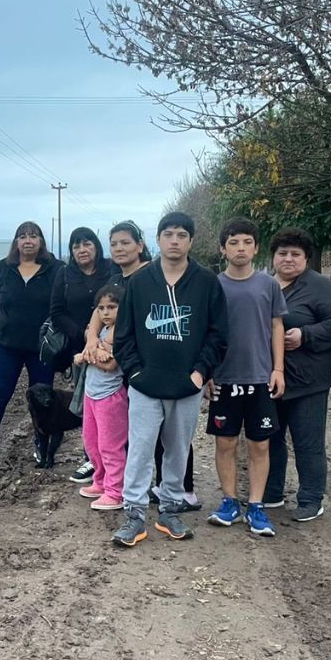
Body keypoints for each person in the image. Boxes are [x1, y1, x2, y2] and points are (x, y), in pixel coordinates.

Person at [111, 212, 228, 547]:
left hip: (186, 386)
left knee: (177, 449)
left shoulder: (206, 282)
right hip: (145, 386)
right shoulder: (140, 282)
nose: (174, 241)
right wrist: (135, 372)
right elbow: (124, 335)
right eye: (168, 234)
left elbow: (218, 335)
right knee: (140, 449)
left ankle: (170, 509)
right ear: (158, 239)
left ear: (191, 241)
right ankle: (134, 514)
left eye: (181, 235)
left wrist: (200, 373)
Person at [82, 221, 200, 510]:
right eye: (114, 244)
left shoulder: (154, 276)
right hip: (126, 371)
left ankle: (180, 491)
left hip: (152, 367)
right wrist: (91, 340)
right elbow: (98, 314)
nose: (119, 249)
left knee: (168, 434)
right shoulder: (116, 280)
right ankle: (129, 488)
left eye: (125, 242)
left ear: (141, 244)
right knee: (133, 435)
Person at [263, 227, 331, 522]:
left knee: (307, 441)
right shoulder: (265, 286)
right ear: (273, 257)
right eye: (282, 253)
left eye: (296, 254)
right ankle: (272, 492)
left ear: (306, 258)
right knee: (270, 437)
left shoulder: (319, 286)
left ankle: (311, 499)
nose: (288, 259)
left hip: (309, 380)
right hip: (269, 378)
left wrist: (306, 334)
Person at [204, 218, 287, 537]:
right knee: (225, 442)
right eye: (234, 242)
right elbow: (205, 332)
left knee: (259, 445)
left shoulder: (269, 285)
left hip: (260, 378)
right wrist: (208, 371)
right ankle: (229, 502)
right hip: (224, 379)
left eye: (247, 242)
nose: (240, 248)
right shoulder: (213, 286)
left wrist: (278, 369)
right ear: (223, 249)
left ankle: (256, 506)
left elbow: (277, 326)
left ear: (256, 247)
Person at [0, 221, 63, 460]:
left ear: (41, 241)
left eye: (33, 236)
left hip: (42, 349)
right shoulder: (3, 269)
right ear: (16, 242)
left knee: (43, 398)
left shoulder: (56, 269)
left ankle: (42, 444)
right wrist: (9, 320)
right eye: (23, 236)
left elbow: (62, 301)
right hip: (8, 346)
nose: (28, 241)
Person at [73, 284, 127, 511]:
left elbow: (111, 365)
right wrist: (92, 353)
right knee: (91, 442)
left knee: (110, 446)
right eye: (101, 308)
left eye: (112, 307)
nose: (106, 312)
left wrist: (88, 355)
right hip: (92, 394)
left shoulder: (121, 333)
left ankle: (116, 491)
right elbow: (90, 355)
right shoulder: (101, 332)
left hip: (110, 396)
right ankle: (101, 481)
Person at [50, 227, 112, 364]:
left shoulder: (112, 268)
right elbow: (57, 313)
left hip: (111, 342)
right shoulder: (64, 274)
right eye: (76, 247)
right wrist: (83, 334)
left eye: (87, 244)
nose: (82, 250)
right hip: (78, 347)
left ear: (96, 246)